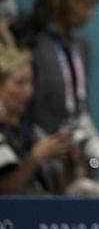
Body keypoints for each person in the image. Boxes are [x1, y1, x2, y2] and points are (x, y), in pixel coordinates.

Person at [12, 0, 99, 176]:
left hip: (73, 159)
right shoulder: (29, 43)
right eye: (86, 5)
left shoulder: (81, 47)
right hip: (33, 161)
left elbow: (80, 107)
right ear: (65, 1)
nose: (91, 14)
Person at [0, 42, 74, 194]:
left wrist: (71, 165)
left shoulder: (30, 130)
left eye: (31, 82)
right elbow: (6, 190)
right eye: (20, 83)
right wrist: (36, 157)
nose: (28, 91)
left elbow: (59, 194)